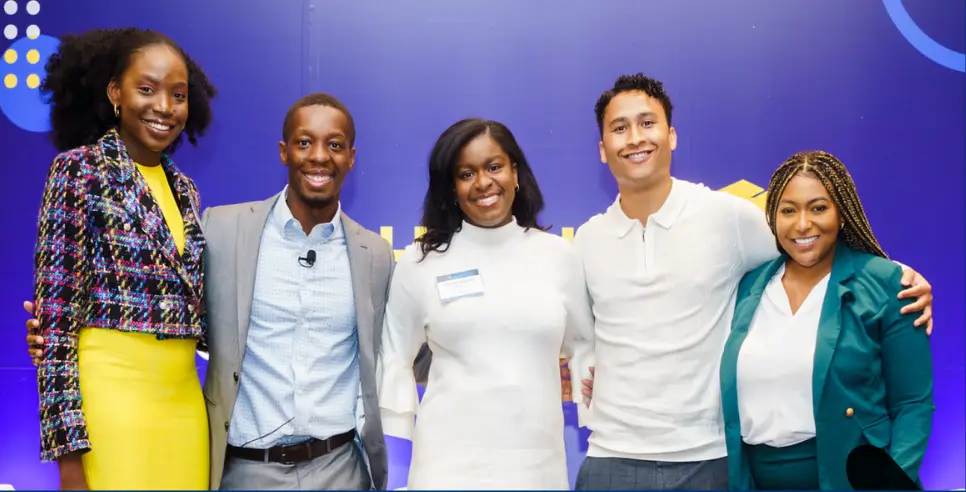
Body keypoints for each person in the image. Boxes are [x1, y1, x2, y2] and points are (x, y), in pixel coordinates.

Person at [25, 92, 430, 490]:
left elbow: (401, 345)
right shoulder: (221, 229)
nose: (320, 156)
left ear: (351, 158)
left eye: (335, 145)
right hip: (246, 472)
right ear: (283, 152)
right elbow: (163, 298)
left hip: (342, 470)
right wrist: (62, 330)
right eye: (304, 142)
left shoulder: (374, 253)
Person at [571, 74, 934, 490]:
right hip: (611, 456)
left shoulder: (729, 217)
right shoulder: (586, 240)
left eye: (647, 123)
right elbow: (569, 332)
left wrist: (898, 276)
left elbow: (809, 241)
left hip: (708, 458)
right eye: (619, 128)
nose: (635, 138)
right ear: (602, 149)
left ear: (671, 136)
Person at [30, 27, 217, 490]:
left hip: (183, 406)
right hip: (111, 406)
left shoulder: (186, 190)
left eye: (178, 95)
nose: (164, 108)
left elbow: (194, 310)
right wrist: (68, 459)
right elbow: (55, 330)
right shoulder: (78, 170)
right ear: (116, 92)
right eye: (147, 89)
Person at [377, 118, 595, 489]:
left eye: (494, 167)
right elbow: (395, 353)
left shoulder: (558, 257)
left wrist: (595, 412)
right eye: (466, 173)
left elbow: (585, 348)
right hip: (444, 469)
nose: (483, 182)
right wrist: (398, 426)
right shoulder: (420, 262)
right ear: (452, 187)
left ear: (515, 172)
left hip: (537, 468)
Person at [719, 151, 934, 490]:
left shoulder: (888, 284)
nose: (803, 224)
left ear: (842, 214)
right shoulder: (748, 287)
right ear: (772, 218)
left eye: (818, 208)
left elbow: (913, 403)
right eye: (788, 210)